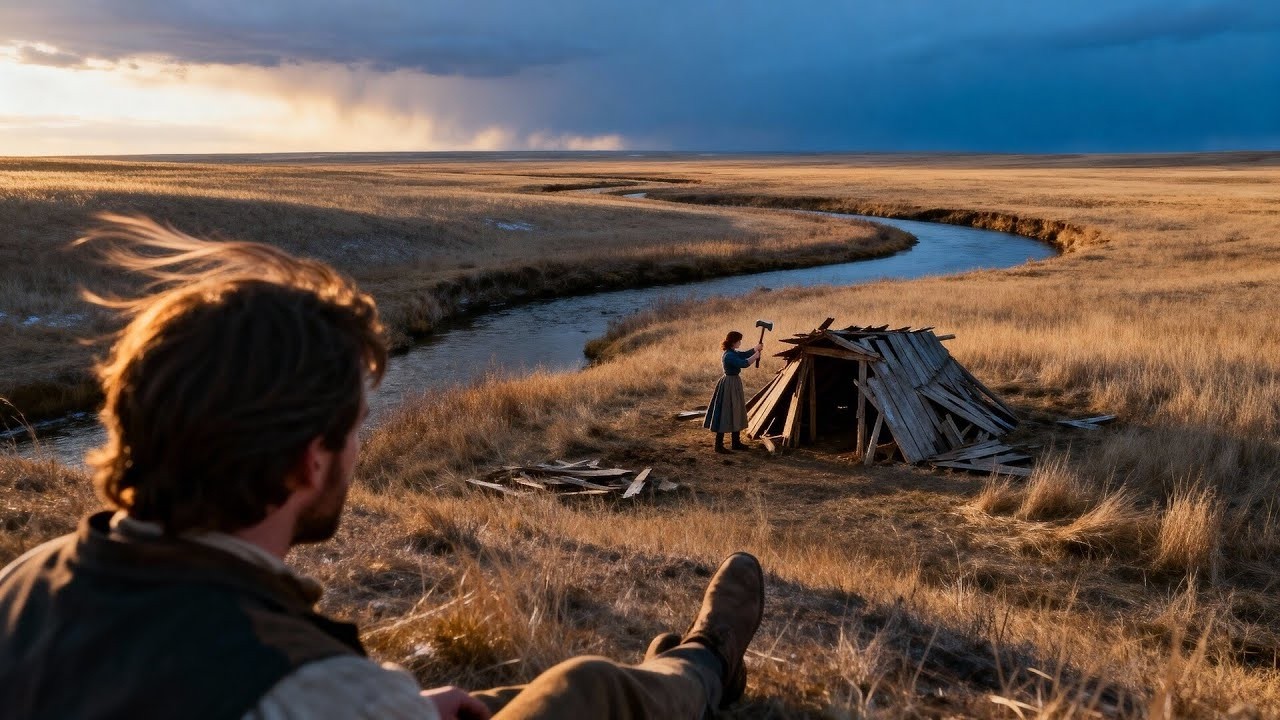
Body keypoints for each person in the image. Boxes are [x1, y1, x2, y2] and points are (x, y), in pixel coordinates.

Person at [0, 215, 766, 720]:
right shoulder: (307, 688)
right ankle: (704, 662)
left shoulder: (25, 582)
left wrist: (398, 706)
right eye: (356, 432)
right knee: (587, 690)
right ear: (309, 462)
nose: (360, 452)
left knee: (495, 698)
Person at [702, 330, 763, 453]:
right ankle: (719, 445)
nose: (740, 343)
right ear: (733, 342)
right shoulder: (729, 355)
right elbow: (743, 363)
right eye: (739, 341)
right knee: (725, 412)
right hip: (729, 384)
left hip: (734, 383)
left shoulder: (732, 352)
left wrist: (755, 349)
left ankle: (736, 442)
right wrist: (755, 356)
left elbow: (743, 355)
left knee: (736, 410)